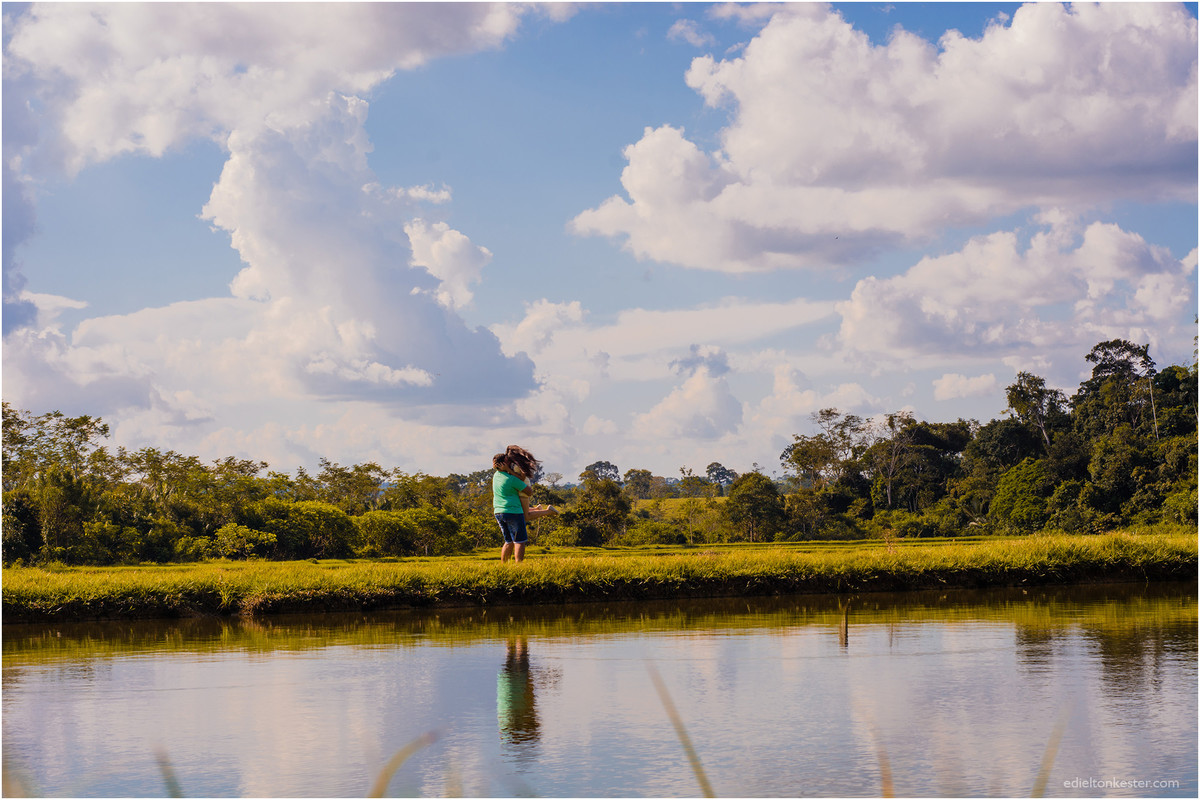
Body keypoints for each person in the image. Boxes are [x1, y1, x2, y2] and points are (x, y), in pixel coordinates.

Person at [493, 446, 557, 563]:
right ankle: (519, 566)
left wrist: (508, 469)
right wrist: (511, 472)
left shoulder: (496, 476)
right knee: (519, 541)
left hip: (498, 512)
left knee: (509, 541)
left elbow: (520, 477)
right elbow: (529, 491)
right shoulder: (511, 478)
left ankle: (503, 566)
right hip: (512, 511)